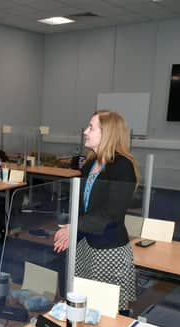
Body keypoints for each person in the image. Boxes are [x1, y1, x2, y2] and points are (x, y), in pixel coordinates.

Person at [53, 110, 140, 311]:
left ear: (107, 133)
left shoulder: (123, 167)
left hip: (108, 249)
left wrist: (73, 227)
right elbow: (84, 206)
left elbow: (111, 213)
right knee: (83, 305)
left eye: (91, 127)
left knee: (108, 312)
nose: (85, 131)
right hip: (85, 245)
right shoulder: (91, 163)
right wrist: (71, 232)